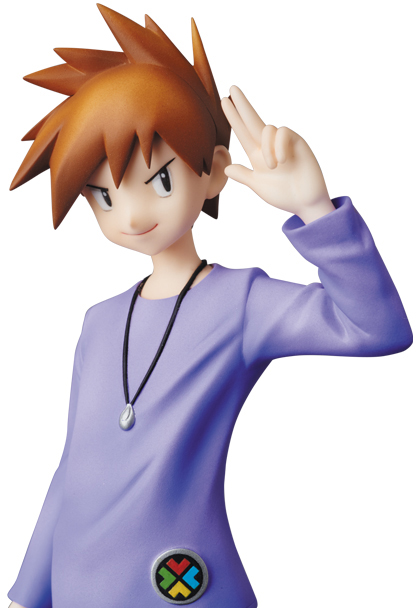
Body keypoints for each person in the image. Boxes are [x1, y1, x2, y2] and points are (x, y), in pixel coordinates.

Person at [7, 5, 413, 608]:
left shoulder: (241, 303)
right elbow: (74, 466)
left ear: (215, 171)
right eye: (103, 196)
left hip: (181, 586)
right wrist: (28, 592)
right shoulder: (99, 322)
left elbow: (376, 328)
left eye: (160, 180)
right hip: (76, 589)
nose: (133, 213)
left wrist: (315, 211)